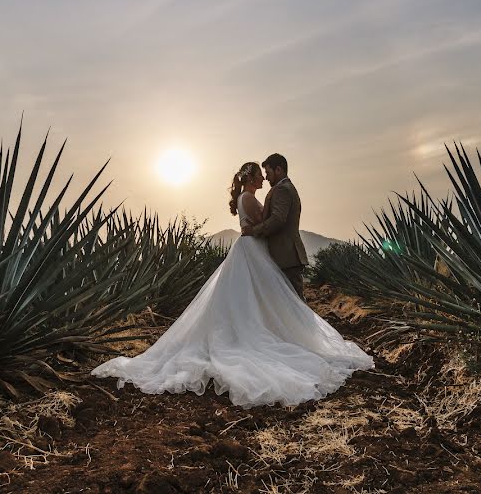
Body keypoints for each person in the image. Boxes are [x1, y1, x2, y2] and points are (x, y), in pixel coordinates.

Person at [91, 161, 373, 408]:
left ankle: (272, 329)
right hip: (252, 249)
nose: (264, 179)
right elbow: (268, 221)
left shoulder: (246, 197)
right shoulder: (249, 198)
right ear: (251, 179)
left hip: (252, 249)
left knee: (252, 297)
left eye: (266, 174)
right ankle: (269, 334)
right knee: (259, 297)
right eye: (259, 176)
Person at [240, 153, 308, 299]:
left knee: (294, 303)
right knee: (290, 303)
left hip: (286, 255)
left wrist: (253, 230)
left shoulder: (282, 189)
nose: (266, 177)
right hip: (285, 256)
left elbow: (278, 219)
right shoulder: (283, 188)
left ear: (278, 170)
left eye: (268, 172)